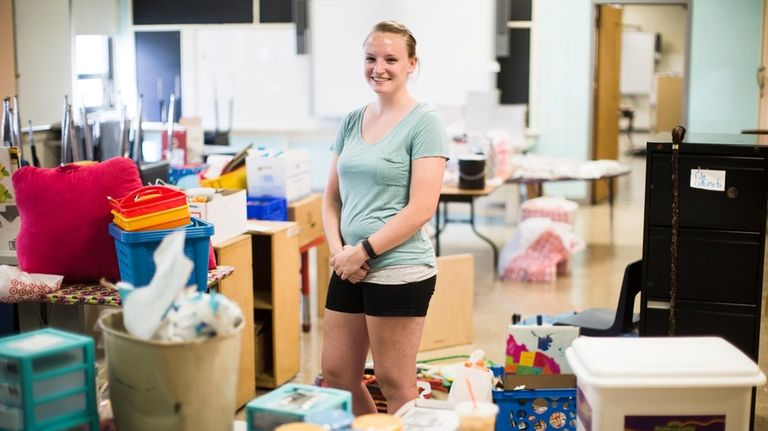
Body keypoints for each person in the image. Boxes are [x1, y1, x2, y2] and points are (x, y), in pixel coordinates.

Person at [321, 20, 448, 415]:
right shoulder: (351, 120)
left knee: (395, 382)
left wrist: (363, 251)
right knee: (337, 375)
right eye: (371, 58)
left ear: (412, 64)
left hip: (399, 266)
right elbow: (330, 199)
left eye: (391, 59)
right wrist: (340, 254)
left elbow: (421, 208)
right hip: (348, 266)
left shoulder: (425, 123)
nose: (379, 67)